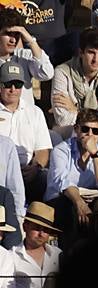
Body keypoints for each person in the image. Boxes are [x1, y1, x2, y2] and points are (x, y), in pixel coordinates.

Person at [45, 109, 98, 235]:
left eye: (95, 131)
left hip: (93, 198)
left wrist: (95, 154)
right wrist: (79, 202)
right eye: (85, 129)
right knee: (69, 208)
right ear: (76, 129)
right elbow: (62, 182)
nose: (90, 135)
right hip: (63, 198)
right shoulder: (61, 150)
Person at [51, 28, 98, 140]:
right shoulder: (63, 71)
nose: (96, 59)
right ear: (81, 52)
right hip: (69, 138)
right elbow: (62, 119)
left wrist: (76, 110)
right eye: (91, 53)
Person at [0, 61, 52, 200]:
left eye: (17, 85)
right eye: (7, 84)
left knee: (47, 178)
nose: (13, 89)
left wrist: (35, 167)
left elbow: (43, 150)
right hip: (1, 170)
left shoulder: (35, 112)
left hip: (27, 170)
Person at [7, 202, 62, 288]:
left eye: (46, 230)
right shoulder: (11, 256)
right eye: (37, 228)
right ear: (25, 226)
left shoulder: (58, 255)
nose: (41, 234)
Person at [0, 13, 54, 109]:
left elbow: (46, 73)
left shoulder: (24, 55)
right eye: (8, 34)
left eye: (17, 34)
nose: (13, 40)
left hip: (25, 117)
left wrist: (31, 41)